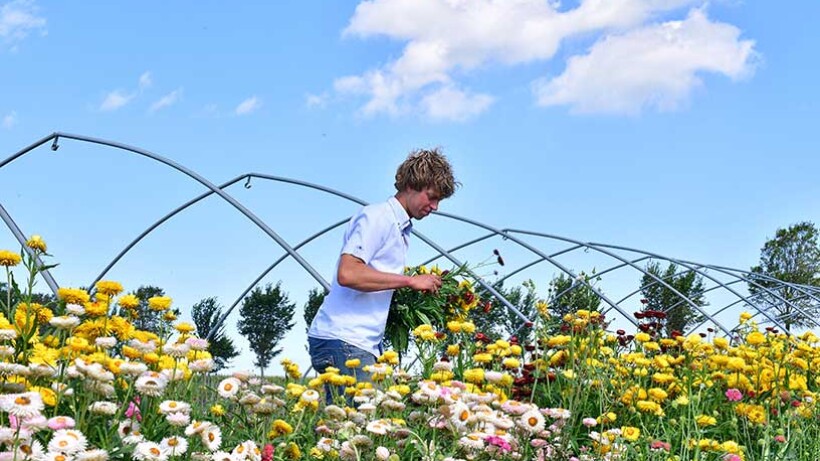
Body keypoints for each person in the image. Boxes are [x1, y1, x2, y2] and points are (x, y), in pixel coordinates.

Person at [307, 148, 458, 404]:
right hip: (345, 339)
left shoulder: (400, 228)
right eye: (431, 197)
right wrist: (410, 281)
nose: (434, 207)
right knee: (352, 432)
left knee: (348, 432)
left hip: (357, 342)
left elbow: (372, 276)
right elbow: (348, 272)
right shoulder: (378, 217)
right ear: (412, 184)